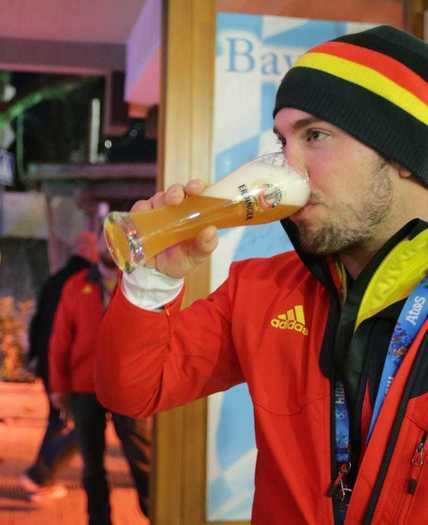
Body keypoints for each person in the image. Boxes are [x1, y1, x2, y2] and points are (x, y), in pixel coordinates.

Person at [95, 25, 427, 524]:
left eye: (314, 135)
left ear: (402, 152)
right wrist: (154, 280)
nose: (286, 166)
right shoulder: (263, 289)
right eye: (281, 139)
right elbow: (132, 390)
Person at [50, 234, 151, 524]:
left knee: (141, 456)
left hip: (127, 385)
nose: (111, 247)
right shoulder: (76, 284)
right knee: (92, 464)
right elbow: (60, 340)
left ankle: (157, 512)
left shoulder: (138, 280)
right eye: (107, 241)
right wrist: (59, 388)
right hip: (84, 387)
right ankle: (99, 520)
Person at [21, 231, 97, 500]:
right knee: (77, 425)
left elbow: (37, 321)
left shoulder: (55, 280)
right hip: (72, 369)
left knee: (58, 420)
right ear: (91, 250)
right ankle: (40, 474)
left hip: (48, 362)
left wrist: (33, 357)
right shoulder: (87, 281)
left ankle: (42, 477)